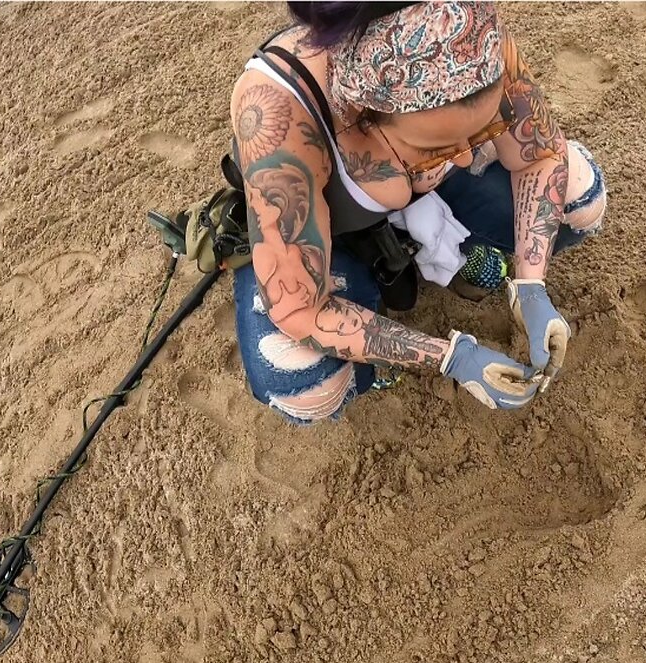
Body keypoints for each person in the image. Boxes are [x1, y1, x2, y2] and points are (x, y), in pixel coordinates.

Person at [228, 1, 608, 423]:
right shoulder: (278, 110)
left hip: (428, 198)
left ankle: (446, 249)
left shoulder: (469, 36)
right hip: (333, 233)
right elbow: (300, 307)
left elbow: (540, 156)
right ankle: (373, 355)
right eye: (433, 147)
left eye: (480, 132)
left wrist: (531, 284)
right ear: (363, 116)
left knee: (579, 197)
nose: (465, 159)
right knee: (301, 380)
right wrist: (448, 357)